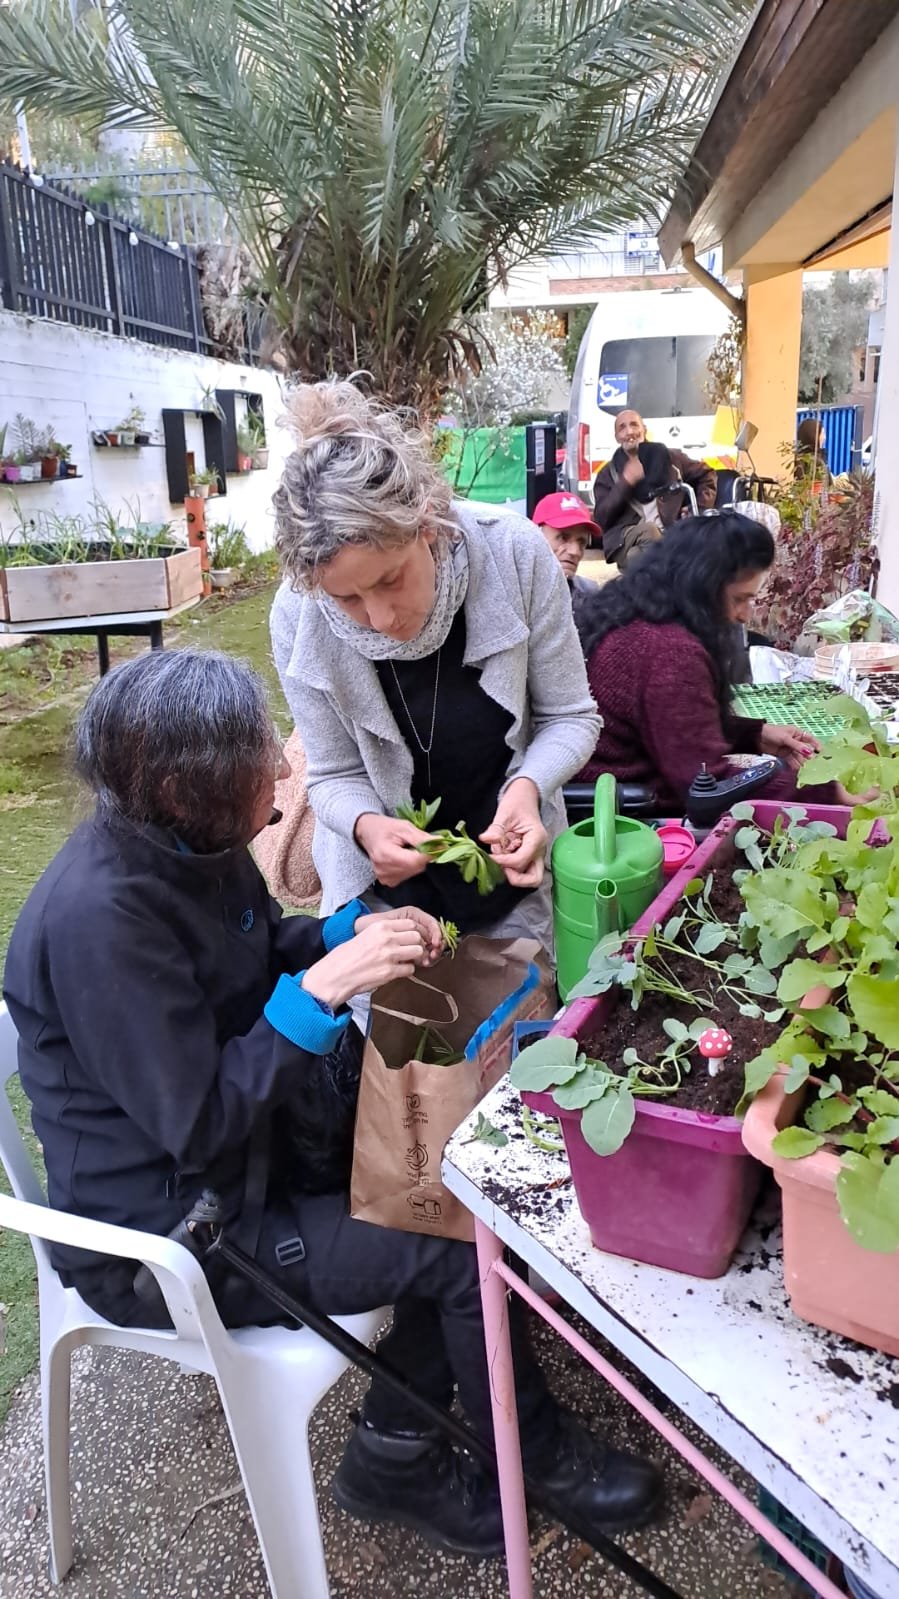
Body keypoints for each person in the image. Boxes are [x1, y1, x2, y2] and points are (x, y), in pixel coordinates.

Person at [3, 649, 661, 1557]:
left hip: (257, 1155)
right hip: (184, 1232)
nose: (280, 769)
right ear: (173, 780)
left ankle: (403, 1432)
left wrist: (344, 930)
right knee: (454, 1234)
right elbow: (198, 1124)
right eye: (254, 758)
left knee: (462, 1160)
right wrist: (318, 991)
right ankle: (520, 1455)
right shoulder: (99, 924)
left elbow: (256, 942)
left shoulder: (188, 839)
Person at [270, 381, 601, 955]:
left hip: (509, 887)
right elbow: (331, 775)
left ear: (426, 523)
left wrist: (527, 788)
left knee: (508, 1037)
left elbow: (571, 717)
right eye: (346, 599)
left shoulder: (515, 556)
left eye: (389, 580)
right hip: (377, 908)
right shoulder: (298, 614)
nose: (378, 618)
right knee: (392, 1043)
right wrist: (365, 827)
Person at [575, 514, 846, 810]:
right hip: (628, 816)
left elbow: (675, 723)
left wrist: (756, 735)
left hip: (629, 786)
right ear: (702, 588)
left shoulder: (640, 617)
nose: (744, 615)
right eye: (739, 599)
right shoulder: (669, 651)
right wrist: (829, 795)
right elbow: (708, 786)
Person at [591, 409, 672, 569]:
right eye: (622, 428)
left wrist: (695, 506)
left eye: (634, 425)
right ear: (616, 437)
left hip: (669, 531)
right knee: (649, 531)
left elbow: (706, 475)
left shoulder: (667, 457)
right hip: (626, 536)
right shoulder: (608, 473)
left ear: (644, 430)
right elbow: (601, 518)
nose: (629, 432)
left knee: (637, 556)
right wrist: (625, 482)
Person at [530, 489, 600, 647]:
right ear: (535, 535)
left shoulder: (590, 595)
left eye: (581, 542)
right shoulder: (516, 597)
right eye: (563, 537)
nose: (575, 552)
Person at [795, 417, 831, 485]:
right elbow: (827, 487)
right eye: (822, 433)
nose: (824, 437)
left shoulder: (797, 457)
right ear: (813, 436)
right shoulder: (815, 461)